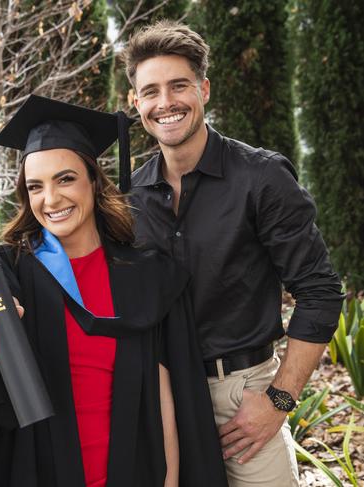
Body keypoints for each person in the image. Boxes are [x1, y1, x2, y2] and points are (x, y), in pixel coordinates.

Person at [0, 95, 228, 487]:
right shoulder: (6, 272)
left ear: (94, 181)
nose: (51, 199)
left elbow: (167, 399)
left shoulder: (145, 275)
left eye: (65, 178)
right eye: (35, 186)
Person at [122, 20, 344, 486]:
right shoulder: (129, 197)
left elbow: (321, 293)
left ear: (204, 89)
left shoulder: (260, 178)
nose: (165, 103)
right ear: (135, 102)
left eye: (179, 85)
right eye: (151, 91)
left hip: (241, 399)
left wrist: (278, 401)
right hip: (161, 399)